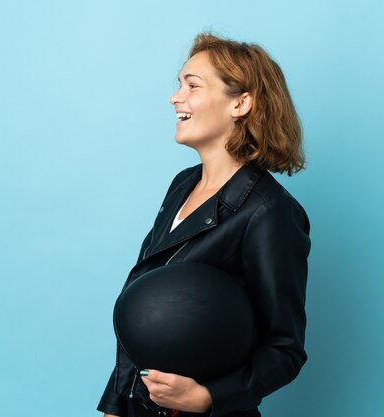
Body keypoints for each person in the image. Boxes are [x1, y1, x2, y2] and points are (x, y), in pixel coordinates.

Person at [97, 32, 311, 417]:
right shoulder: (182, 184)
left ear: (241, 103)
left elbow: (285, 349)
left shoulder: (270, 212)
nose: (175, 97)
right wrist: (115, 407)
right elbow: (144, 306)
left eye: (192, 85)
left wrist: (208, 398)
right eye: (179, 84)